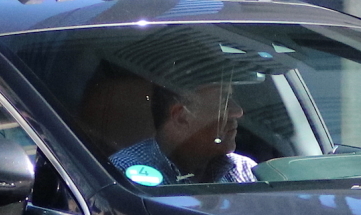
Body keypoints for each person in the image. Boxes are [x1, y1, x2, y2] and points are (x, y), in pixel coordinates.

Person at [108, 76, 259, 186]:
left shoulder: (243, 169)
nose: (238, 111)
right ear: (181, 117)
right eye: (224, 101)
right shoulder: (124, 175)